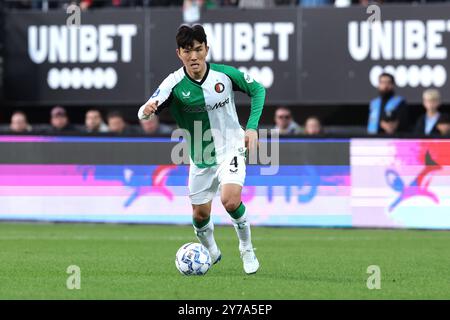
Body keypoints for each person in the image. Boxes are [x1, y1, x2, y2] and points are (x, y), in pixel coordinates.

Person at [138, 24, 265, 274]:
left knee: (230, 200)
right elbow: (143, 111)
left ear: (206, 49)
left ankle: (246, 249)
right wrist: (147, 110)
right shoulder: (173, 84)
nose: (193, 56)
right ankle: (212, 251)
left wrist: (251, 128)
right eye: (187, 51)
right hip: (200, 157)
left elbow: (258, 90)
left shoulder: (224, 75)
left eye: (198, 49)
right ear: (179, 54)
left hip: (232, 148)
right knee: (199, 215)